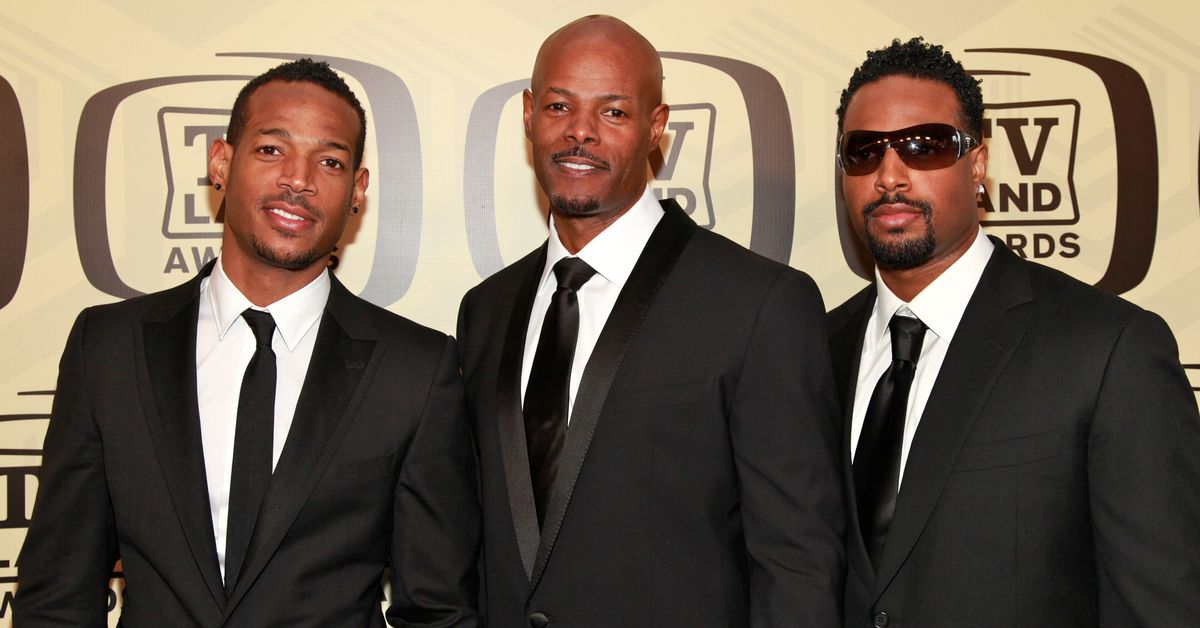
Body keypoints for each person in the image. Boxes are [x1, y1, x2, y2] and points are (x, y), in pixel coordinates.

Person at [16, 59, 480, 627]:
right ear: (221, 162)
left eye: (329, 161)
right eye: (271, 150)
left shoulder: (415, 372)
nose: (298, 179)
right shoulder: (108, 349)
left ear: (358, 189)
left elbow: (438, 612)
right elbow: (56, 596)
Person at [456, 15, 843, 628]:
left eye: (612, 112)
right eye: (559, 105)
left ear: (655, 126)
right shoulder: (486, 310)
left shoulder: (760, 304)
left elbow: (799, 563)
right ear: (529, 113)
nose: (579, 132)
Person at [828, 37, 1200, 627]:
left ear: (977, 164)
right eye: (865, 151)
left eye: (924, 146)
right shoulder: (813, 350)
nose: (890, 175)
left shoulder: (1108, 350)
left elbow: (1160, 604)